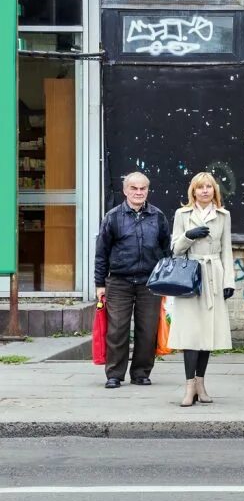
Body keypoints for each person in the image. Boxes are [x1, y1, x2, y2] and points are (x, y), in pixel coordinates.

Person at [94, 171, 171, 389]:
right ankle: (114, 375)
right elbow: (101, 253)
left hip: (150, 282)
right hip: (119, 282)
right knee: (117, 329)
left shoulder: (158, 217)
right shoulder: (113, 217)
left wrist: (166, 281)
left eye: (142, 188)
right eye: (134, 188)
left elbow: (166, 251)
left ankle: (141, 373)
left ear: (147, 190)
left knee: (147, 330)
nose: (138, 192)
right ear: (125, 190)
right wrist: (99, 284)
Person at [168, 172, 235, 406]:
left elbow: (227, 250)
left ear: (215, 190)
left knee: (207, 333)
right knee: (190, 333)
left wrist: (229, 282)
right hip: (190, 276)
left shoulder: (223, 216)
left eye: (209, 187)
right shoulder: (182, 214)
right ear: (193, 191)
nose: (205, 190)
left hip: (214, 275)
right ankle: (189, 387)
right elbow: (175, 249)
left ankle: (200, 384)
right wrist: (188, 236)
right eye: (200, 187)